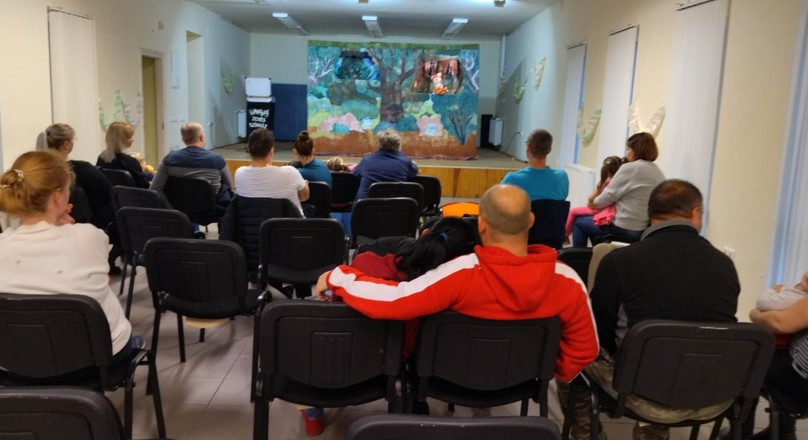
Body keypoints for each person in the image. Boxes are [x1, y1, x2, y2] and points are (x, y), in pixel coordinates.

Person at [316, 184, 599, 384]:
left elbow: (394, 301)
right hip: (524, 382)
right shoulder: (568, 281)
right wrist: (537, 371)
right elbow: (585, 350)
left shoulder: (461, 273)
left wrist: (339, 277)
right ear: (531, 221)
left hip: (452, 379)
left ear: (482, 225)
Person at [562, 179, 740, 440]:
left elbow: (598, 334)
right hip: (713, 395)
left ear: (650, 215)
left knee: (571, 349)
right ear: (695, 214)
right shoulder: (724, 265)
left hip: (642, 394)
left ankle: (589, 435)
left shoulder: (619, 262)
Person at [303, 216, 479, 436]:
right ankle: (415, 403)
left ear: (424, 235)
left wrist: (335, 278)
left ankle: (313, 411)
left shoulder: (364, 263)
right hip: (389, 368)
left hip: (336, 359)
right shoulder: (446, 293)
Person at [0, 151, 135, 363]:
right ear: (57, 197)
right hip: (96, 362)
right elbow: (102, 280)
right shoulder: (89, 236)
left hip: (17, 364)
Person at [572, 132, 665, 247]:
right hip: (643, 230)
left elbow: (608, 196)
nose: (627, 153)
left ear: (635, 151)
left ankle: (580, 258)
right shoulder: (658, 172)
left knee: (579, 222)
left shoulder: (630, 168)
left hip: (624, 227)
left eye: (628, 149)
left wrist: (593, 203)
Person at [743, 285, 808, 440]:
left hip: (801, 381)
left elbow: (780, 323)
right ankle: (782, 431)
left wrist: (754, 314)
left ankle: (741, 434)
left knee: (744, 362)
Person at [36, 123, 114, 230]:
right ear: (66, 144)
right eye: (73, 139)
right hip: (86, 226)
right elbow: (108, 194)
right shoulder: (83, 169)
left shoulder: (36, 172)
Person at [150, 122, 235, 210]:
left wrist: (171, 209)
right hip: (211, 211)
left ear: (183, 139)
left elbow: (155, 189)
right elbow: (230, 188)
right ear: (201, 137)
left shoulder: (168, 160)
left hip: (178, 210)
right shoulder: (217, 160)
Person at [233, 128, 309, 215]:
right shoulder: (290, 173)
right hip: (288, 223)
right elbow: (304, 197)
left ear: (248, 148)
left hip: (251, 223)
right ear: (271, 151)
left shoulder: (239, 174)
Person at [501, 129, 569, 201]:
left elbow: (497, 202)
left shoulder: (511, 179)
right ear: (549, 149)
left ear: (528, 147)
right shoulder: (562, 178)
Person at [565, 156, 623, 239]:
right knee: (577, 216)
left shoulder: (607, 182)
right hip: (603, 209)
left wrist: (598, 189)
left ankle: (565, 235)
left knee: (573, 212)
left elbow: (590, 200)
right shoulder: (617, 182)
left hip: (599, 209)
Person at [353, 129, 418, 200]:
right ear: (399, 145)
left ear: (379, 144)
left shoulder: (367, 160)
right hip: (395, 205)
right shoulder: (405, 162)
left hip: (366, 205)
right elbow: (413, 172)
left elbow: (356, 173)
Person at [97, 121, 150, 188]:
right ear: (120, 140)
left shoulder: (101, 158)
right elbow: (144, 186)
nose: (132, 140)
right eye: (129, 137)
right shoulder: (130, 162)